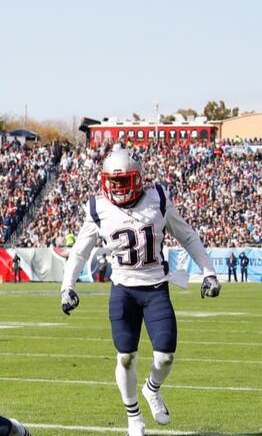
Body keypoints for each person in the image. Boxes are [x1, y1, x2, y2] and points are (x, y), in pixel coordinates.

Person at [59, 147, 221, 436]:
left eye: (125, 181)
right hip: (123, 290)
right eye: (114, 181)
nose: (119, 187)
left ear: (139, 178)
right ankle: (133, 416)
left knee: (165, 356)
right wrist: (67, 287)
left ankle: (152, 389)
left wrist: (208, 271)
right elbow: (79, 252)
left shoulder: (157, 199)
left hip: (156, 287)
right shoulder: (97, 208)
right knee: (125, 356)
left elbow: (187, 236)